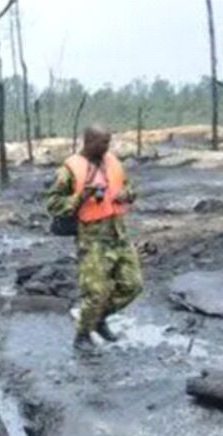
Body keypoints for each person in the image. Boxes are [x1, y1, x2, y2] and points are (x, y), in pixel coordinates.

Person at [45, 124, 142, 354]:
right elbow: (53, 204)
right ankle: (82, 335)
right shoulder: (68, 170)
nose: (107, 146)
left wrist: (126, 194)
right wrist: (81, 196)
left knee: (133, 285)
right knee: (95, 292)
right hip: (92, 239)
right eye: (102, 142)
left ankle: (99, 319)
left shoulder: (112, 162)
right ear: (88, 142)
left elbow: (130, 188)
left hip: (118, 234)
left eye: (108, 141)